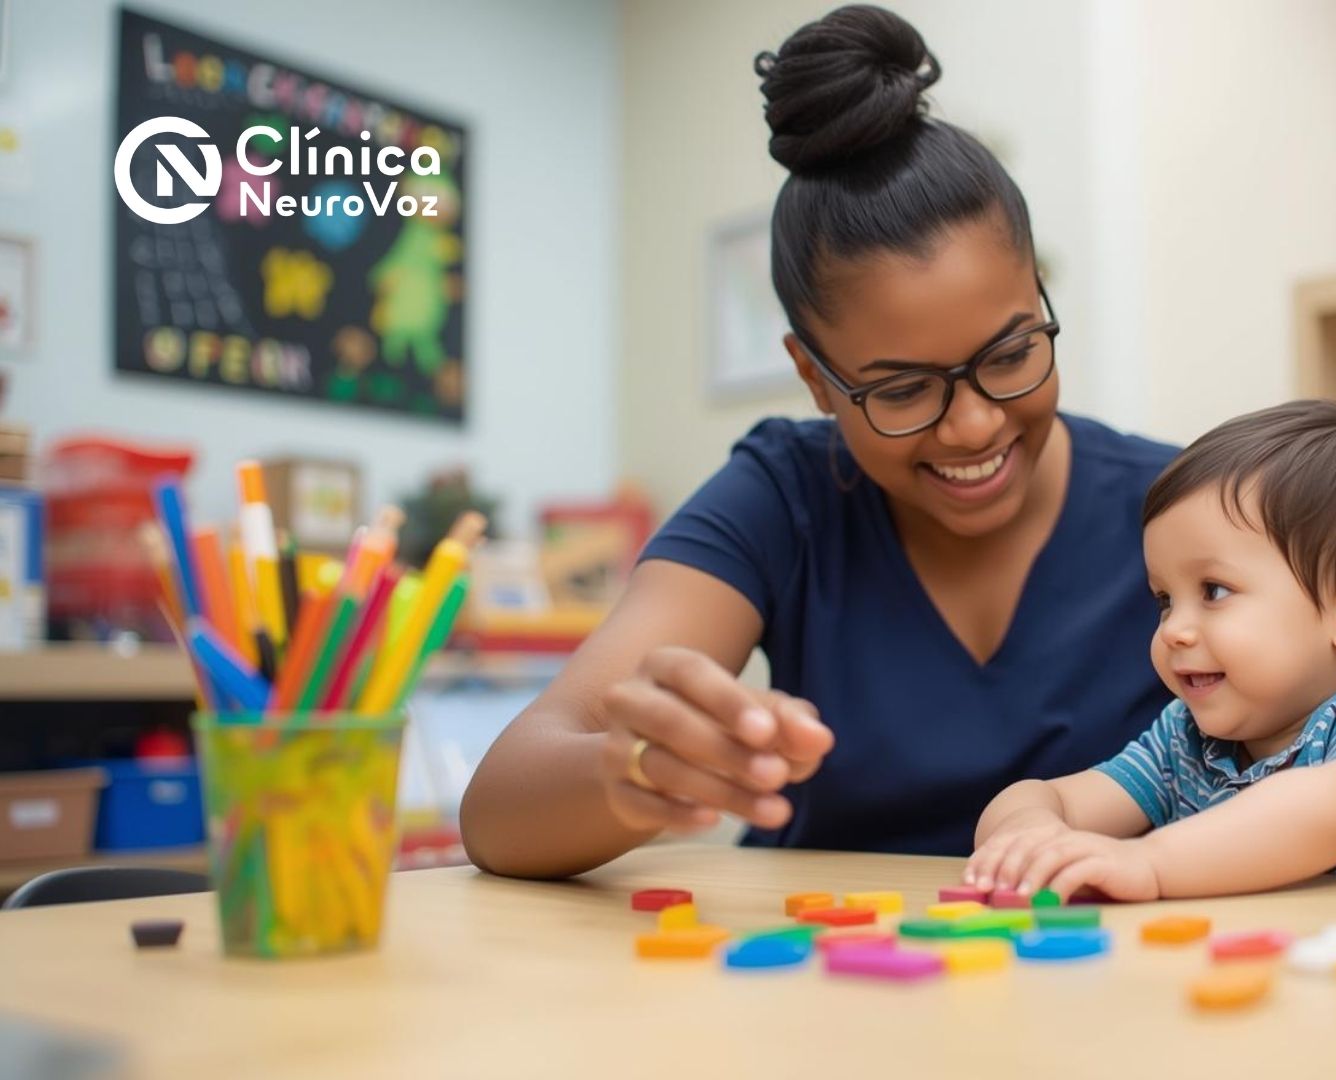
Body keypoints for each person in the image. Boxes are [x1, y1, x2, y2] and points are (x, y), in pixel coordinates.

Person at [459, 4, 1176, 877]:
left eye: (1014, 352)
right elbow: (499, 809)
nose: (977, 422)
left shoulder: (1179, 509)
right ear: (813, 378)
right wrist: (636, 770)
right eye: (903, 389)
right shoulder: (785, 498)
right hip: (813, 984)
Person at [967, 401, 1336, 900]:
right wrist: (1027, 834)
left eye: (1214, 592)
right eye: (1163, 599)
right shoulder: (1187, 740)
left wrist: (1150, 863)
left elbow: (1335, 808)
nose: (1175, 629)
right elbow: (1052, 797)